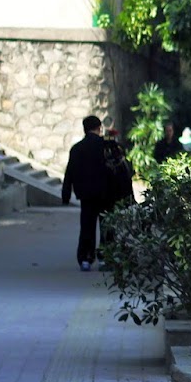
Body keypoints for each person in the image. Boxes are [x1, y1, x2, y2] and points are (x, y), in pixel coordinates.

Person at [61, 115, 116, 271]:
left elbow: (69, 172)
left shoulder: (77, 149)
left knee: (87, 226)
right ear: (99, 128)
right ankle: (105, 257)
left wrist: (66, 194)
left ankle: (86, 258)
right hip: (106, 193)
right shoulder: (107, 146)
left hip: (86, 194)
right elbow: (118, 170)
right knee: (107, 226)